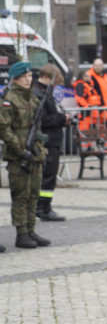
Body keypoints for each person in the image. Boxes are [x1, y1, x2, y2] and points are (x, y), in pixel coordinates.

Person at [0, 61, 49, 249]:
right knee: (21, 195)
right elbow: (4, 129)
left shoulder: (32, 98)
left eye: (30, 76)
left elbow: (36, 126)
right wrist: (21, 151)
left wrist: (39, 148)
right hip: (18, 155)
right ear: (16, 78)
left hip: (35, 153)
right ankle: (21, 234)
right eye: (24, 77)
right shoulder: (9, 99)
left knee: (34, 193)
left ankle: (31, 230)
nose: (29, 79)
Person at [32, 64, 70, 222]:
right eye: (54, 82)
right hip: (47, 141)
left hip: (52, 139)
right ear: (46, 77)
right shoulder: (38, 94)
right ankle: (43, 208)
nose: (55, 86)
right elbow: (42, 120)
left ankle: (45, 207)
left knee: (49, 177)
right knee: (47, 177)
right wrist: (62, 119)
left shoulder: (43, 92)